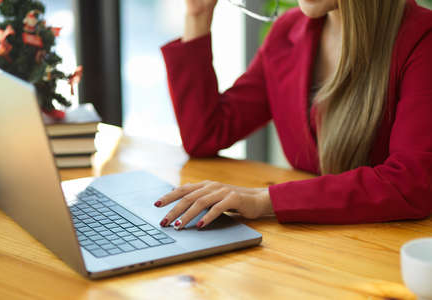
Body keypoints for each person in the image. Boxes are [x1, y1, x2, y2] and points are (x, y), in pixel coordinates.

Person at [155, 0, 432, 230]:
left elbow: (409, 184)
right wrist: (197, 14)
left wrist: (266, 201)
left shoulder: (422, 37)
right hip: (312, 241)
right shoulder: (288, 32)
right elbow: (206, 134)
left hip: (388, 249)